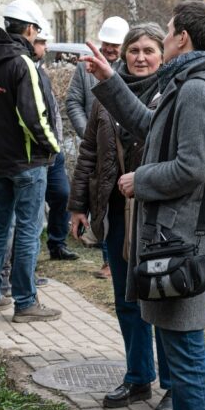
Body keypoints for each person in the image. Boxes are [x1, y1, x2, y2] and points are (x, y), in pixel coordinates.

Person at [81, 1, 205, 410]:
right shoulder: (186, 85)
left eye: (166, 33)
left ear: (183, 37)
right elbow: (149, 127)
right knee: (173, 346)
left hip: (186, 243)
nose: (162, 41)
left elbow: (193, 166)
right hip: (172, 239)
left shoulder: (199, 91)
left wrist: (137, 179)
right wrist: (108, 79)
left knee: (187, 357)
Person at [69, 23, 173, 410]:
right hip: (115, 210)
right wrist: (78, 206)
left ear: (162, 55)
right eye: (134, 50)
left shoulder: (173, 94)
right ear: (123, 54)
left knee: (160, 301)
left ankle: (173, 385)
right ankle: (138, 375)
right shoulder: (104, 96)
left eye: (149, 50)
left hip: (156, 215)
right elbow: (90, 154)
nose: (141, 57)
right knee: (126, 299)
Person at [0, 0, 62, 322]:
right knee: (27, 230)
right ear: (28, 28)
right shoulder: (22, 63)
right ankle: (25, 303)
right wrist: (53, 148)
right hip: (27, 164)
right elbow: (34, 116)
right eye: (36, 29)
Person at [68, 15, 130, 280]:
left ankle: (119, 257)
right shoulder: (85, 69)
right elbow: (72, 102)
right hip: (97, 149)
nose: (110, 49)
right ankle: (108, 261)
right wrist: (89, 134)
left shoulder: (131, 68)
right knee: (101, 203)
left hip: (124, 152)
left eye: (115, 45)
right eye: (107, 43)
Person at [34, 29, 79, 262]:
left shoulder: (41, 71)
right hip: (36, 153)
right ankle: (24, 263)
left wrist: (57, 144)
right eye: (41, 42)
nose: (46, 48)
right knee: (30, 209)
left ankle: (57, 244)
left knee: (62, 195)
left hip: (55, 150)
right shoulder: (23, 71)